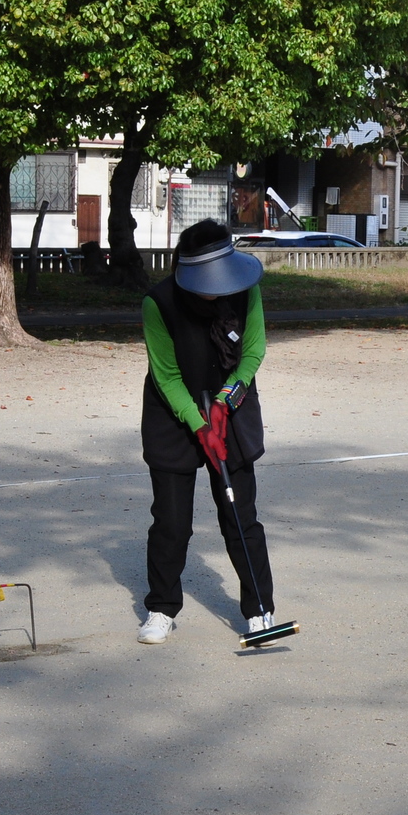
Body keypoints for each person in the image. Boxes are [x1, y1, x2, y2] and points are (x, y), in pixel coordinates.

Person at [136, 217, 274, 644]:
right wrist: (199, 424)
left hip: (230, 405)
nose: (219, 288)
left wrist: (225, 401)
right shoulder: (158, 303)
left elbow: (253, 352)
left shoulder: (245, 288)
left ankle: (260, 610)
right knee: (171, 522)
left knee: (240, 515)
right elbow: (166, 375)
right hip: (172, 412)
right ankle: (161, 607)